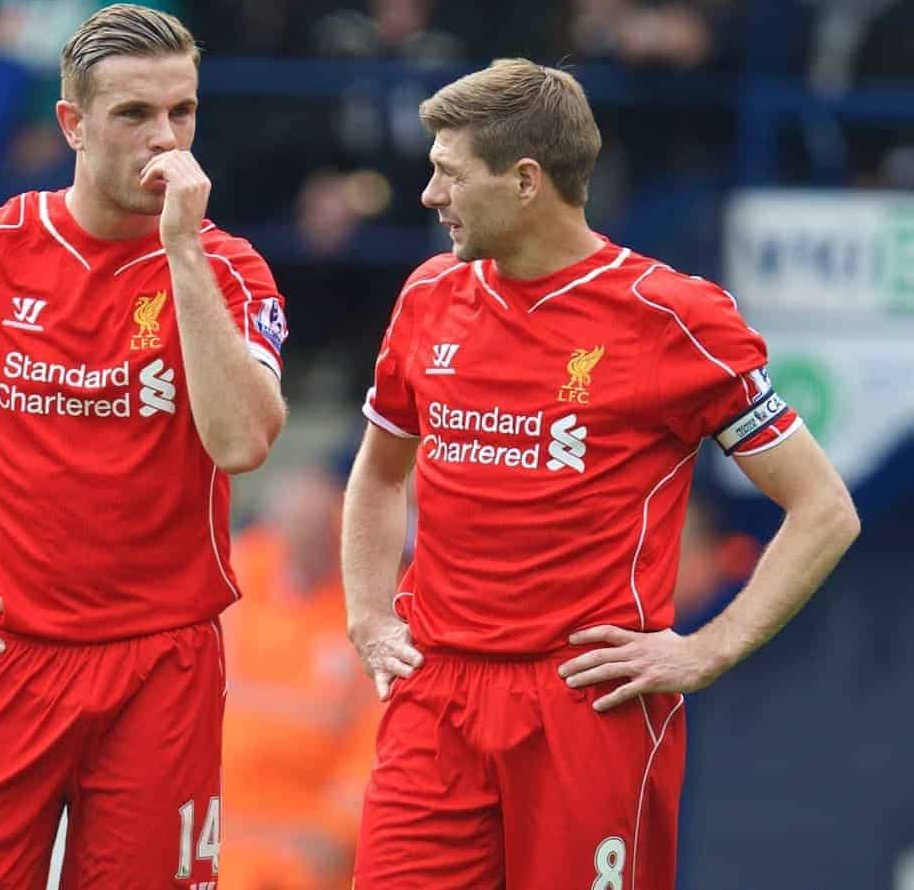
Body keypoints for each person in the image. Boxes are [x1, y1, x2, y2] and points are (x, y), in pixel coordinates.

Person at [341, 58, 859, 890]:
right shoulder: (429, 294)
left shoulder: (673, 317)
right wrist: (369, 617)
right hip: (436, 696)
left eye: (447, 174)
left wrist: (706, 650)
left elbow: (824, 508)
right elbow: (376, 474)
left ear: (524, 180)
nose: (430, 196)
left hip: (585, 701)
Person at [0, 3, 287, 890]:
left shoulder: (228, 268)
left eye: (182, 113)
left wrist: (182, 250)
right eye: (134, 115)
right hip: (3, 654)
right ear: (72, 123)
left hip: (162, 663)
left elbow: (241, 442)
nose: (165, 139)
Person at [220, 466, 379, 890]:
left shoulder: (369, 613)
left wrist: (338, 829)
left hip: (311, 859)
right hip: (220, 846)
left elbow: (378, 741)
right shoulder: (229, 585)